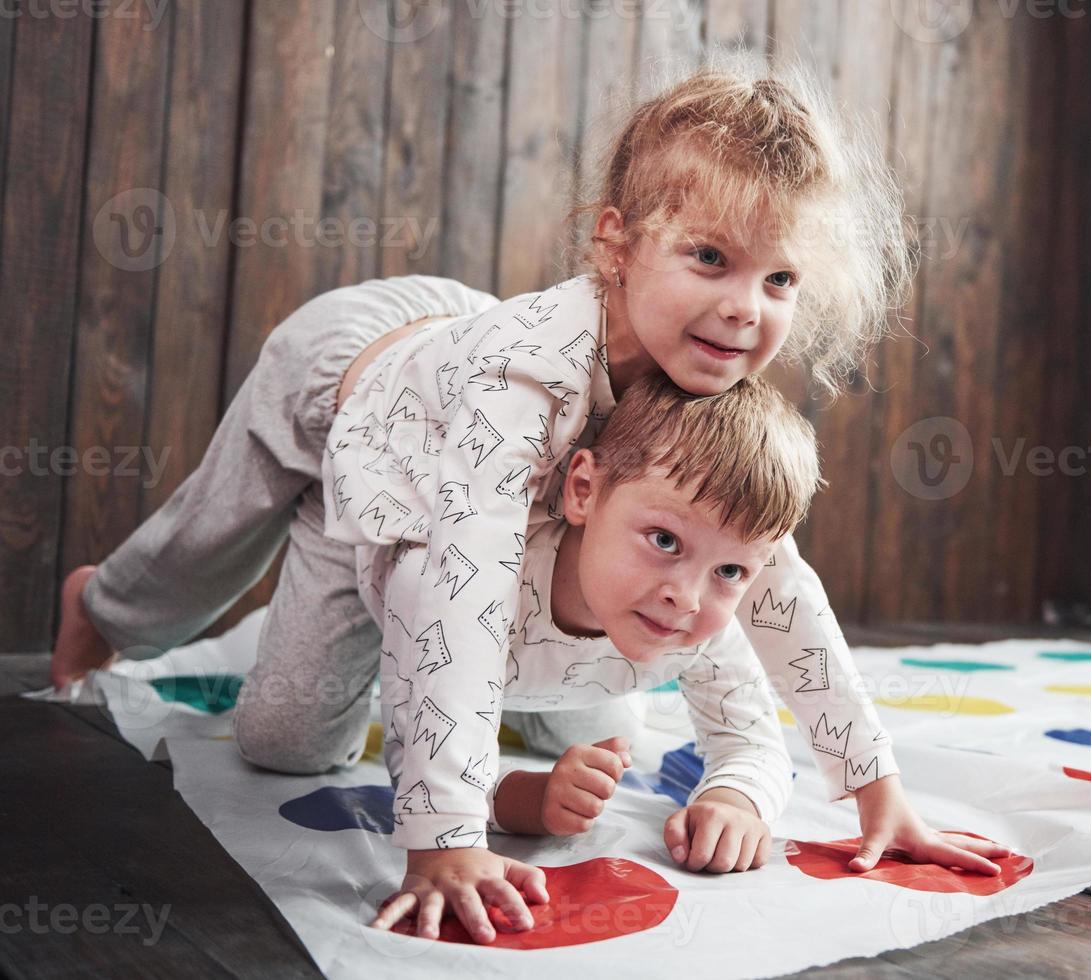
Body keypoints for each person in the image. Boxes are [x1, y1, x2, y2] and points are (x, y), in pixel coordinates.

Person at [49, 55, 1013, 947]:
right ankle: (107, 605)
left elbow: (775, 581)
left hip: (461, 407)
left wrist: (874, 789)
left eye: (780, 279)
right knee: (233, 606)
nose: (744, 308)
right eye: (710, 259)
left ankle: (489, 716)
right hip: (358, 382)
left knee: (598, 700)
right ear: (616, 246)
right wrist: (445, 836)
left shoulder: (698, 375)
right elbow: (462, 596)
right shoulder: (519, 389)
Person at [371, 372, 811, 942]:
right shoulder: (468, 584)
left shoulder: (701, 619)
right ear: (583, 490)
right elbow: (421, 768)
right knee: (288, 743)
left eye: (730, 570)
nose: (688, 595)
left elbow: (753, 742)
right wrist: (526, 800)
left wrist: (736, 801)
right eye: (664, 540)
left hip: (559, 669)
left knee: (605, 740)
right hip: (380, 549)